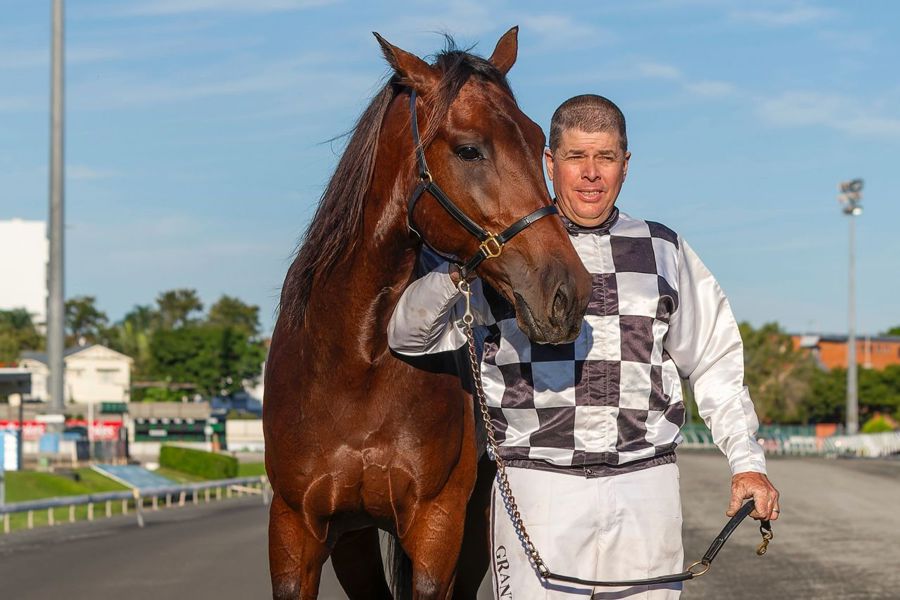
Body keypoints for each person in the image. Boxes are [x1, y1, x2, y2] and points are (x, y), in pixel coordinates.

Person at [388, 94, 780, 599]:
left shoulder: (663, 249)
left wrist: (748, 464)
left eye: (605, 157)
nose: (591, 173)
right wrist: (461, 268)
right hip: (540, 488)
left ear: (625, 164)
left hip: (646, 489)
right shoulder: (504, 252)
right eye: (576, 156)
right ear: (550, 163)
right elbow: (408, 335)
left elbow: (715, 363)